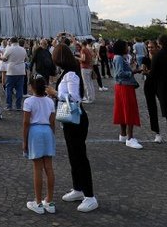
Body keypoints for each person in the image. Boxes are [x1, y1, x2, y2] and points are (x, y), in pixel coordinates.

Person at [48, 43, 98, 212]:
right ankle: (78, 188)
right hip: (70, 119)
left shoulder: (71, 74)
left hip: (76, 118)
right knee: (73, 156)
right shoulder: (68, 72)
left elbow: (74, 97)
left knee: (80, 157)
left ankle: (90, 196)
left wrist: (55, 93)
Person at [23, 74, 56, 215]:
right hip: (47, 131)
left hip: (35, 131)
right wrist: (52, 135)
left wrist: (24, 141)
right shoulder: (50, 102)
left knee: (37, 168)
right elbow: (53, 121)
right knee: (49, 167)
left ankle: (37, 202)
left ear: (32, 87)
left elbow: (26, 123)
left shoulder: (29, 102)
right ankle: (49, 200)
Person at [111, 40, 142, 149]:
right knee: (129, 111)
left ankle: (123, 134)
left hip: (121, 87)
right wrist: (134, 71)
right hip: (125, 86)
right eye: (126, 46)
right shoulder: (119, 58)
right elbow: (120, 73)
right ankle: (130, 138)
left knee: (122, 110)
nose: (128, 48)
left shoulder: (117, 57)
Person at [2, 37, 27, 111]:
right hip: (21, 70)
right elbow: (26, 58)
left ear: (11, 42)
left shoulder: (9, 49)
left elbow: (4, 58)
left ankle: (9, 105)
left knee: (9, 88)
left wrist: (1, 57)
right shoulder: (23, 49)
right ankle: (18, 106)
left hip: (11, 71)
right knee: (19, 89)